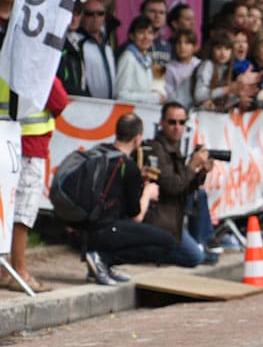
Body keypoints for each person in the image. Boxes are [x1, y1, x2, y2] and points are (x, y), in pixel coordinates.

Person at [84, 113, 177, 285]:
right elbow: (136, 216)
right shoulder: (129, 166)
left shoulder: (98, 152)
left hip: (81, 229)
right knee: (168, 243)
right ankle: (104, 258)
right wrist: (148, 193)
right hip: (104, 230)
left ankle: (99, 264)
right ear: (137, 138)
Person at [0, 78, 68, 292]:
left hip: (5, 141)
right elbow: (59, 101)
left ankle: (3, 271)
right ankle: (18, 271)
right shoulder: (36, 64)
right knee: (23, 212)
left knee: (4, 208)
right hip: (30, 145)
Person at [144, 102, 219, 267]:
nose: (177, 127)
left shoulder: (173, 147)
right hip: (161, 215)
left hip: (172, 210)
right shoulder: (157, 149)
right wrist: (192, 165)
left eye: (181, 123)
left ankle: (201, 243)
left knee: (200, 195)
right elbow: (172, 187)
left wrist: (201, 173)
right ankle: (155, 251)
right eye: (172, 122)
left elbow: (185, 185)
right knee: (194, 258)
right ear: (162, 122)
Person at [115, 15, 165, 104]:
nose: (146, 37)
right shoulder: (128, 58)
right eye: (141, 32)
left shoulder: (147, 59)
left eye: (150, 33)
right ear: (131, 36)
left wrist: (155, 94)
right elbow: (120, 95)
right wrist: (153, 98)